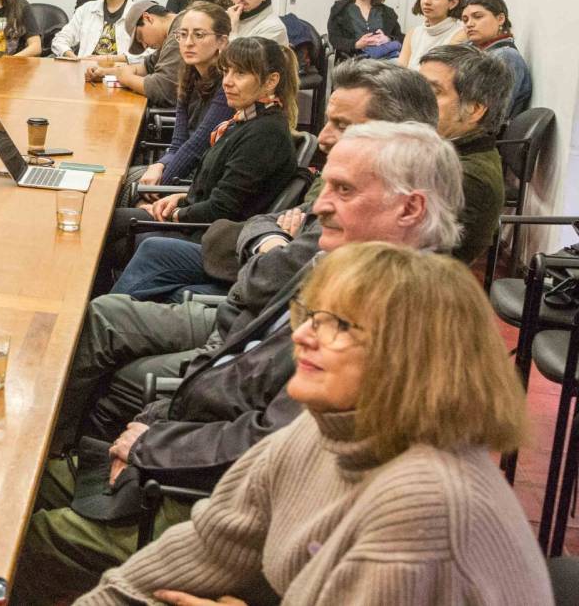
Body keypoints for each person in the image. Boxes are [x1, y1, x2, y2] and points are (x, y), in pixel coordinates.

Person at [27, 122, 464, 596]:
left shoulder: (399, 320)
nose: (319, 206)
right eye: (325, 186)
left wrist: (150, 448)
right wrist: (151, 426)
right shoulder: (338, 267)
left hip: (208, 499)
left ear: (409, 208)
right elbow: (224, 358)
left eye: (343, 190)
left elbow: (271, 443)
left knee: (22, 535)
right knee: (21, 480)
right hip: (184, 455)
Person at [74, 243, 547, 606]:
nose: (301, 335)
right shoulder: (320, 429)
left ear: (408, 356)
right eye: (311, 316)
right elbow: (210, 545)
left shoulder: (423, 509)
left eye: (337, 324)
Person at [111, 60, 439, 305]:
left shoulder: (375, 205)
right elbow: (268, 221)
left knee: (111, 307)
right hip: (242, 264)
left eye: (342, 125)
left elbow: (274, 273)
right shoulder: (241, 123)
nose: (324, 138)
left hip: (245, 295)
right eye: (226, 72)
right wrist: (270, 236)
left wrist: (181, 210)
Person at [101, 37, 299, 277]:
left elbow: (223, 209)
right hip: (196, 219)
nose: (227, 81)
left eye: (240, 73)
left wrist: (177, 213)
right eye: (226, 71)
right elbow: (218, 188)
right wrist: (181, 197)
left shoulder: (265, 134)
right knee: (102, 219)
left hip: (207, 237)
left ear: (271, 81)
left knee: (102, 239)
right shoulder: (245, 120)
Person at [418, 44, 511, 265]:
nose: (417, 99)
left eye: (434, 92)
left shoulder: (467, 176)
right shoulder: (440, 147)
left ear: (474, 109)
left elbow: (418, 260)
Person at [127, 3, 232, 192]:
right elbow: (177, 144)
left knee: (123, 187)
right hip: (182, 169)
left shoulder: (228, 85)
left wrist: (156, 190)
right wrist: (158, 165)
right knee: (119, 178)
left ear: (222, 42)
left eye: (199, 35)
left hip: (205, 180)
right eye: (183, 35)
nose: (188, 42)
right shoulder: (189, 75)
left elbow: (196, 148)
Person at [89, 0, 181, 105]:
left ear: (147, 18)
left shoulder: (180, 33)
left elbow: (161, 90)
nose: (145, 46)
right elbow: (147, 66)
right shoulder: (172, 32)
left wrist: (127, 79)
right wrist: (104, 72)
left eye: (140, 37)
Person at [461, 0, 533, 118]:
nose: (469, 24)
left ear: (500, 19)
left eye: (478, 17)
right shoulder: (468, 50)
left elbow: (492, 115)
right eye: (465, 20)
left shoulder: (506, 57)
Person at [326, 0, 402, 60]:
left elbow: (401, 38)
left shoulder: (387, 13)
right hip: (353, 61)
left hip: (385, 60)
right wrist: (356, 44)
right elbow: (334, 39)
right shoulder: (340, 9)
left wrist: (388, 39)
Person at [397, 0, 467, 69]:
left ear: (453, 3)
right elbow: (399, 71)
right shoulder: (413, 33)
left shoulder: (461, 33)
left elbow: (440, 73)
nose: (426, 1)